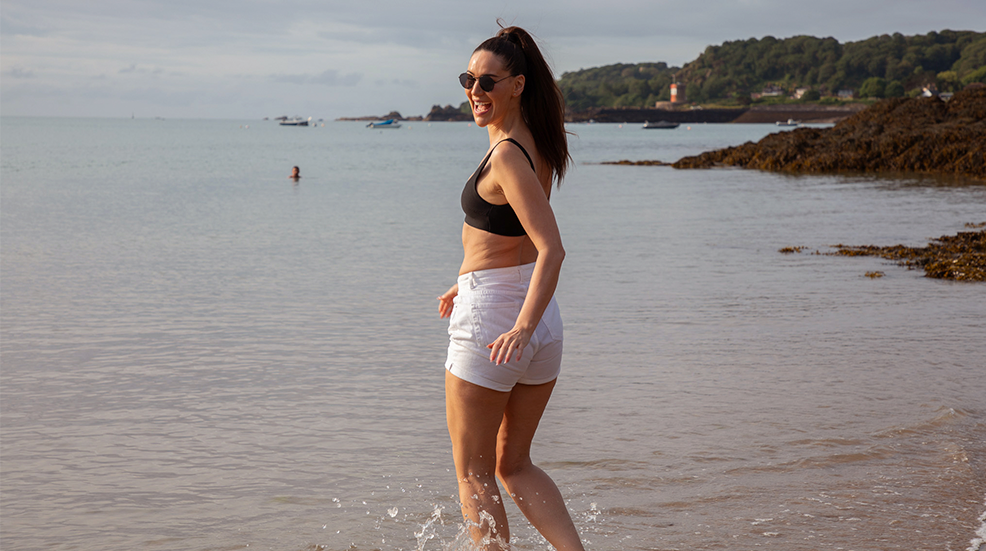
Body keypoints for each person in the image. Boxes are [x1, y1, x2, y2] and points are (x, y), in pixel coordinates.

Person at [436, 23, 585, 551]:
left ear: (517, 85)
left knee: (474, 473)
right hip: (536, 318)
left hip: (503, 322)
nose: (475, 91)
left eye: (488, 82)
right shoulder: (535, 143)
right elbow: (508, 234)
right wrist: (464, 280)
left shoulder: (505, 154)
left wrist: (517, 323)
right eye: (468, 81)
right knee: (513, 464)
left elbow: (551, 248)